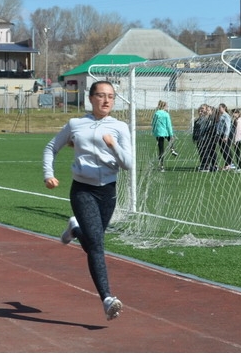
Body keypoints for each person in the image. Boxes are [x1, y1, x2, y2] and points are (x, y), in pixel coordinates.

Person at [43, 80, 133, 321]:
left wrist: (113, 145)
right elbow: (51, 148)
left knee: (94, 242)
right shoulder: (76, 124)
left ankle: (74, 227)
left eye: (111, 97)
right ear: (91, 98)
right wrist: (48, 174)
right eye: (101, 96)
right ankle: (107, 298)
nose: (106, 100)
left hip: (108, 192)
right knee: (96, 245)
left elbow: (128, 164)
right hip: (82, 190)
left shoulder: (120, 127)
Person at [151, 100, 178, 172]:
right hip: (165, 132)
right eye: (166, 106)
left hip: (158, 133)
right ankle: (172, 149)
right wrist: (171, 134)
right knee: (171, 139)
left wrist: (153, 131)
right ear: (164, 106)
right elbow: (169, 125)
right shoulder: (166, 114)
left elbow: (153, 123)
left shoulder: (156, 113)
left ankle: (161, 166)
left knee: (161, 149)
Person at [215, 103, 234, 171]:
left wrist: (226, 136)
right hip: (221, 134)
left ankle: (230, 164)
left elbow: (228, 127)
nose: (219, 109)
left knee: (225, 149)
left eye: (220, 108)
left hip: (226, 135)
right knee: (222, 149)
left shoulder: (226, 116)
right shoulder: (221, 115)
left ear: (224, 108)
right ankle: (228, 164)